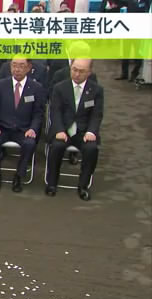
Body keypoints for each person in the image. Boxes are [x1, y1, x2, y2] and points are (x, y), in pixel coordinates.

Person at [46, 59, 103, 201]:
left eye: (81, 71)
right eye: (74, 69)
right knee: (56, 146)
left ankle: (83, 186)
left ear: (89, 72)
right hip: (63, 130)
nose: (77, 74)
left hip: (84, 132)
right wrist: (59, 129)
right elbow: (55, 111)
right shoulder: (60, 88)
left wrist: (91, 132)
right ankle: (52, 183)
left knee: (92, 149)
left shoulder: (96, 90)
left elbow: (97, 115)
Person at [0, 57, 46, 192]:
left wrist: (33, 129)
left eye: (21, 66)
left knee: (30, 143)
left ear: (28, 67)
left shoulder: (36, 88)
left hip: (23, 130)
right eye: (14, 65)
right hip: (2, 128)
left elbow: (39, 113)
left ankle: (19, 176)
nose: (17, 69)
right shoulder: (0, 85)